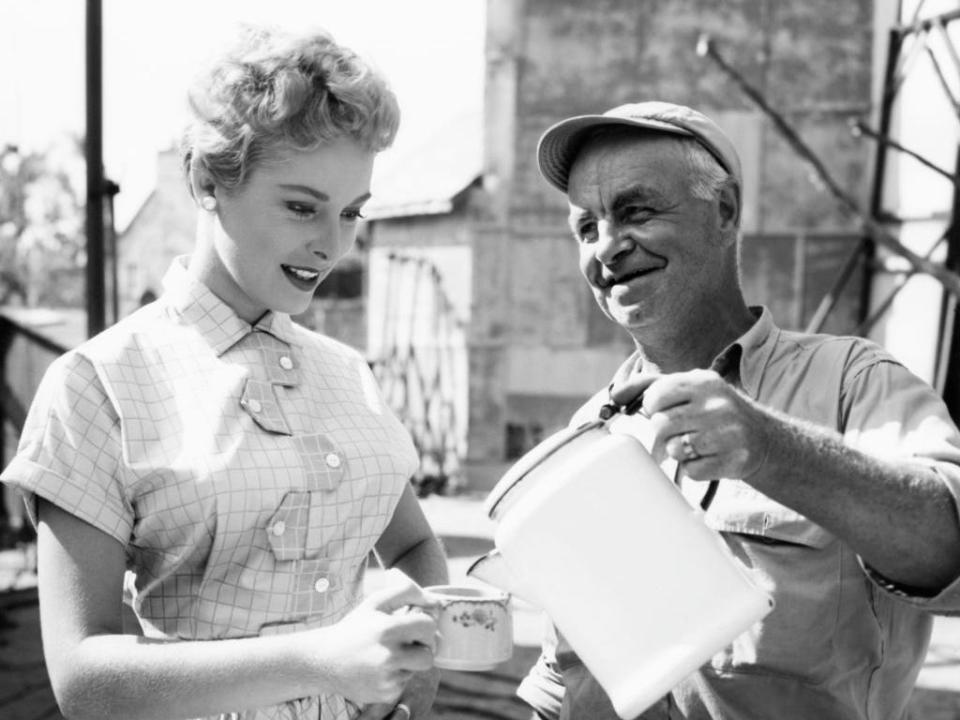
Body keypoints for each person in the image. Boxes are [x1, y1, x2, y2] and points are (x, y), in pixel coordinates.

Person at [0, 25, 449, 720]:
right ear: (206, 180)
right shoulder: (99, 383)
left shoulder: (349, 373)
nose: (332, 245)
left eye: (352, 213)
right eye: (302, 206)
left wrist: (414, 674)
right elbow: (82, 679)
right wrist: (317, 659)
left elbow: (415, 544)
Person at [516, 101, 960, 719]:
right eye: (586, 228)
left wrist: (771, 447)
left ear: (724, 212)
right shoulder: (588, 436)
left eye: (635, 211)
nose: (608, 247)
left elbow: (949, 547)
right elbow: (565, 680)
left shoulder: (851, 381)